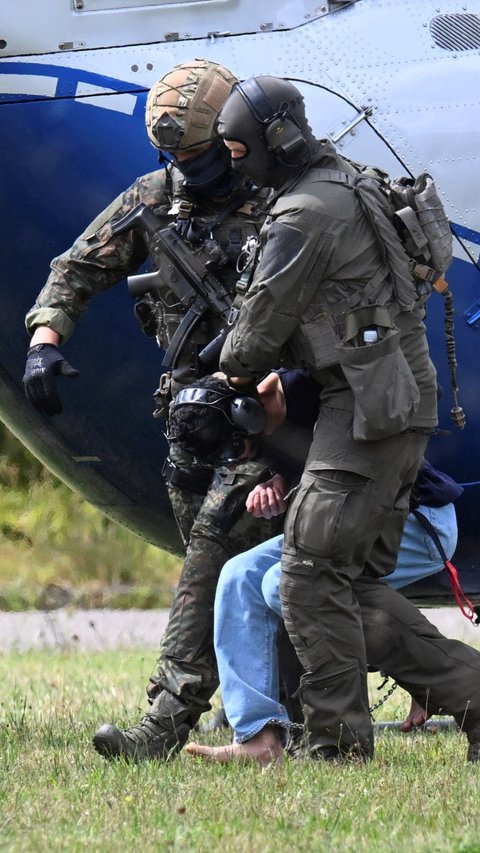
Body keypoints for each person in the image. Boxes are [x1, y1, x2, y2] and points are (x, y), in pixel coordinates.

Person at [206, 75, 480, 762]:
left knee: (305, 571)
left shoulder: (305, 213)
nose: (236, 162)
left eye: (240, 149)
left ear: (277, 141)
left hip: (367, 411)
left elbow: (256, 332)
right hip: (379, 401)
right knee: (337, 579)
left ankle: (336, 743)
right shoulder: (350, 178)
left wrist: (221, 373)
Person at [22, 59, 283, 761]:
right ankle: (294, 714)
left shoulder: (285, 201)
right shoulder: (155, 200)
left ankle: (165, 725)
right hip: (189, 422)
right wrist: (46, 341)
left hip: (269, 416)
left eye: (198, 154)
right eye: (175, 157)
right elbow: (75, 267)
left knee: (207, 567)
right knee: (245, 571)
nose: (188, 168)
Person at [163, 370, 480, 765]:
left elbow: (361, 467)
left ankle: (438, 680)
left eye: (237, 446)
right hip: (338, 521)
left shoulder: (318, 386)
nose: (240, 459)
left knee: (290, 584)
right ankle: (259, 736)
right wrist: (278, 482)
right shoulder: (258, 414)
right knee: (239, 575)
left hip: (412, 520)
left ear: (249, 412)